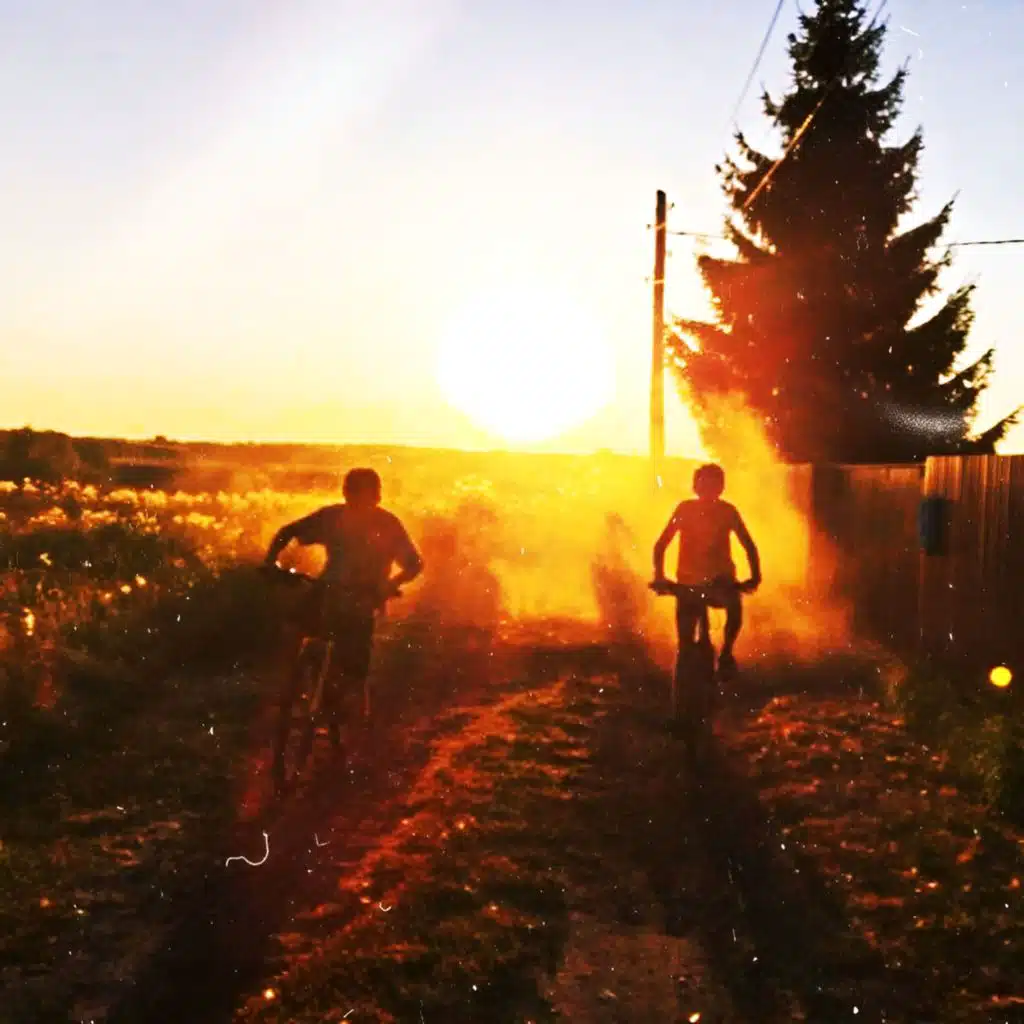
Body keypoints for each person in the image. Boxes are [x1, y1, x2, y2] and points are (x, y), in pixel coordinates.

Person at [263, 468, 423, 770]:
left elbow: (414, 564)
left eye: (363, 496)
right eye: (352, 495)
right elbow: (289, 531)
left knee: (354, 670)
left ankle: (354, 722)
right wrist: (270, 562)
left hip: (363, 599)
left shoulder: (387, 524)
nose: (356, 502)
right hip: (328, 590)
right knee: (293, 625)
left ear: (376, 497)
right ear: (345, 494)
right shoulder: (332, 517)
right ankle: (294, 682)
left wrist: (389, 584)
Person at [652, 462, 761, 679]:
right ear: (696, 487)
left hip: (717, 581)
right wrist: (659, 576)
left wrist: (755, 575)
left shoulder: (726, 511)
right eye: (704, 486)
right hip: (691, 583)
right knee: (685, 641)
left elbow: (749, 545)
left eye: (713, 486)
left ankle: (726, 652)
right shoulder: (687, 509)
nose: (708, 492)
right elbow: (661, 544)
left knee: (733, 608)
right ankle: (712, 660)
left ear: (720, 488)